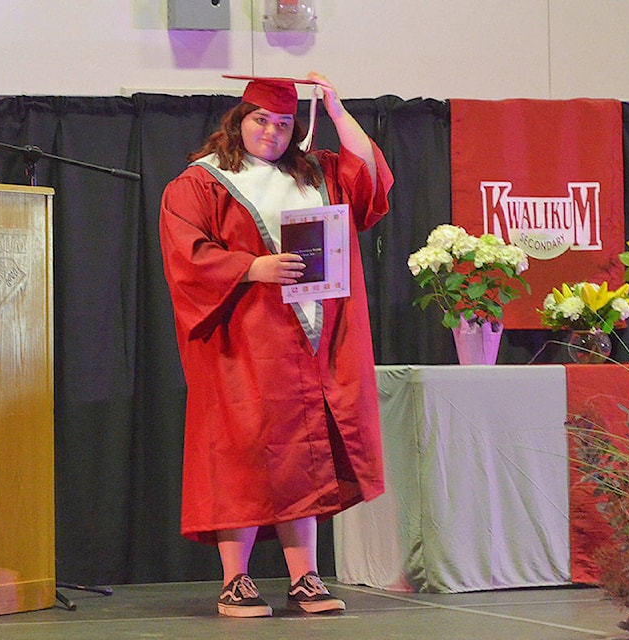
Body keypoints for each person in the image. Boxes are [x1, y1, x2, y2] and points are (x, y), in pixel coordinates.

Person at [159, 74, 394, 617]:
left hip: (314, 339)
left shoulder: (315, 174)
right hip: (243, 341)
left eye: (285, 124)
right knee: (240, 452)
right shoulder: (202, 183)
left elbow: (371, 177)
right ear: (238, 123)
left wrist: (335, 108)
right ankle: (235, 580)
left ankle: (304, 577)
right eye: (261, 120)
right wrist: (252, 267)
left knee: (302, 454)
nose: (272, 132)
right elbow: (185, 254)